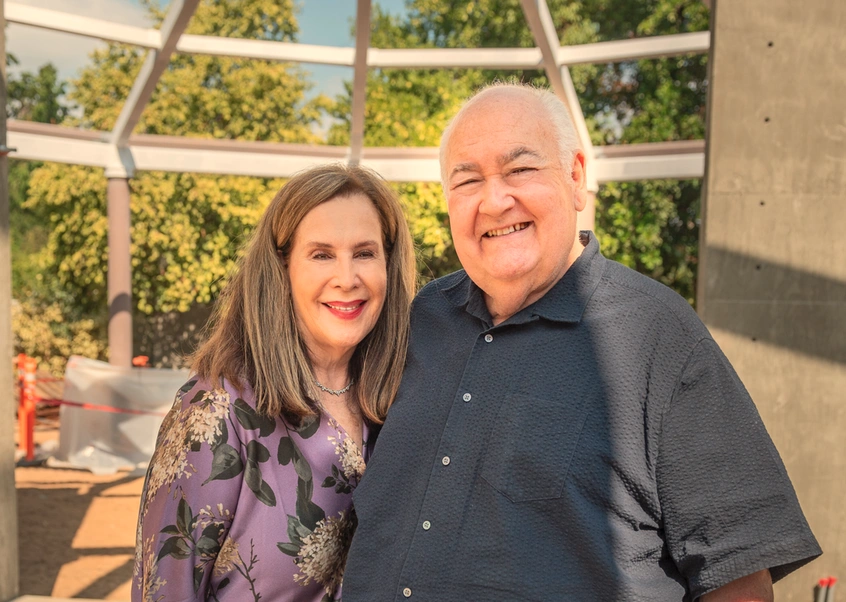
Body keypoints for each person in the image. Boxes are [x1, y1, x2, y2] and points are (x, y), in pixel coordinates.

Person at [342, 84, 821, 601]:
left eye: (520, 170)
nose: (495, 199)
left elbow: (739, 580)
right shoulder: (414, 322)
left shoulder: (658, 335)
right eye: (468, 180)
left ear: (575, 177)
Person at [132, 164, 416, 602]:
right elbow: (164, 591)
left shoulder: (402, 402)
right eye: (321, 254)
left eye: (364, 253)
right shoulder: (216, 409)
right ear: (281, 269)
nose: (347, 277)